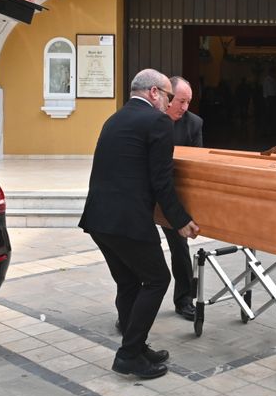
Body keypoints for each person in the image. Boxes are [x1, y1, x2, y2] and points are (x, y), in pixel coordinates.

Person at [78, 69, 199, 380]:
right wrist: (181, 221)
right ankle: (129, 354)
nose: (170, 103)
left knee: (130, 282)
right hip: (127, 220)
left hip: (98, 219)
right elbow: (162, 182)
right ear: (154, 93)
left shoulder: (114, 118)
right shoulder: (157, 122)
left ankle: (137, 345)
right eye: (169, 96)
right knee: (158, 279)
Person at [163, 75, 203, 321]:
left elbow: (196, 164)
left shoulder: (193, 123)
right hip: (147, 195)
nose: (185, 107)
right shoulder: (151, 120)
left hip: (174, 196)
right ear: (167, 98)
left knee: (180, 246)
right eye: (181, 101)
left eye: (188, 102)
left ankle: (184, 299)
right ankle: (129, 307)